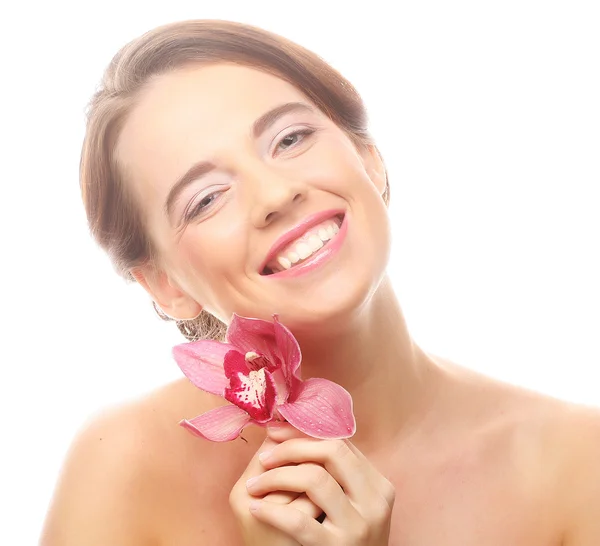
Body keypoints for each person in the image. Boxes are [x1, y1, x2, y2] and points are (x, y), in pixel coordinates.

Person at [41, 19, 600, 545]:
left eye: (289, 139)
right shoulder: (124, 467)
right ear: (165, 286)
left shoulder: (577, 464)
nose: (275, 195)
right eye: (207, 198)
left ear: (367, 157)